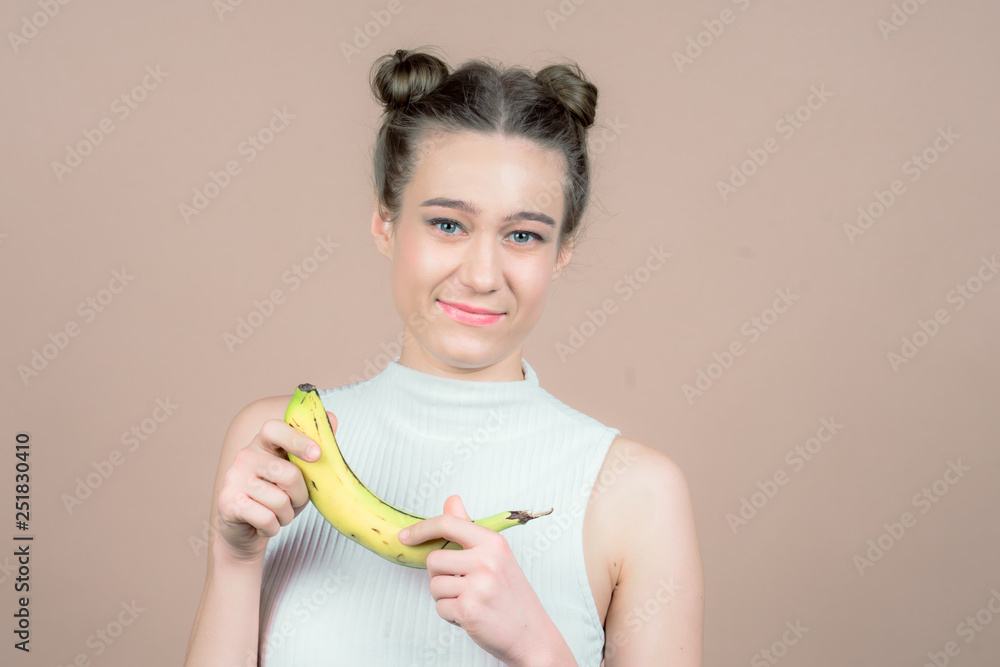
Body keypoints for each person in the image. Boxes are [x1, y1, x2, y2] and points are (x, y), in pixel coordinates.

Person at [184, 46, 703, 666]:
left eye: (523, 235)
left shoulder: (638, 494)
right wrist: (236, 560)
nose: (483, 275)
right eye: (448, 225)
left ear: (561, 252)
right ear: (384, 222)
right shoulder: (279, 447)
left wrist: (535, 645)